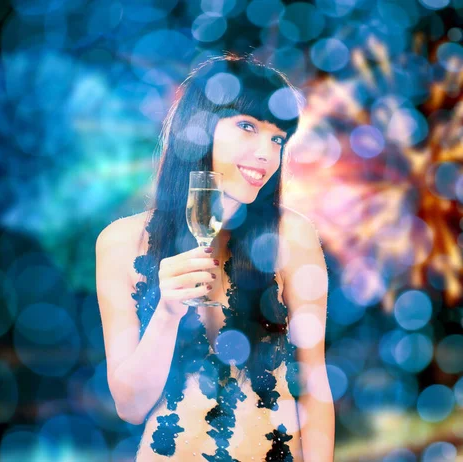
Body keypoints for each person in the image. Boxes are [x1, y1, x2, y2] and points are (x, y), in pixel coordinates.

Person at [95, 53, 335, 461]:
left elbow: (313, 386)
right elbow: (130, 407)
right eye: (247, 127)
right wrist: (168, 313)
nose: (266, 153)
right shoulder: (121, 242)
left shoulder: (292, 236)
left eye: (278, 138)